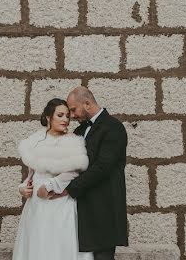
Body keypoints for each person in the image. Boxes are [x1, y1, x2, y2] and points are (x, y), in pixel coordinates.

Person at [41, 86, 128, 260]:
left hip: (104, 208)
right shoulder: (79, 131)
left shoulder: (113, 127)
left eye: (73, 109)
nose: (72, 115)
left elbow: (102, 167)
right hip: (82, 210)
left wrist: (69, 189)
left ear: (87, 103)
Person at [12, 98, 93, 260]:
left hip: (59, 201)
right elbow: (31, 174)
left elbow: (73, 172)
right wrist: (23, 188)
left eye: (67, 116)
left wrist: (50, 185)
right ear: (48, 117)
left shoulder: (72, 141)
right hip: (36, 205)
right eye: (60, 115)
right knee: (37, 245)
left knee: (58, 245)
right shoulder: (35, 140)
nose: (65, 120)